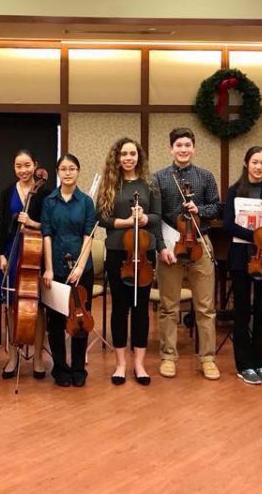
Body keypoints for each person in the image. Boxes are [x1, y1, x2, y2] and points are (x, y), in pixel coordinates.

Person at [153, 127, 222, 380]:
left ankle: (207, 358)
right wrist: (161, 247)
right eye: (178, 145)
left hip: (200, 244)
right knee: (168, 307)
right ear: (171, 148)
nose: (183, 149)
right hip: (171, 247)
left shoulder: (205, 176)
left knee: (205, 307)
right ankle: (168, 356)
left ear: (194, 148)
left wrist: (199, 209)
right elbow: (155, 217)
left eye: (187, 145)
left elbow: (216, 207)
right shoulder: (159, 178)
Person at [97, 138, 163, 386]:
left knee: (141, 308)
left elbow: (158, 216)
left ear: (138, 156)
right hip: (117, 250)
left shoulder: (150, 184)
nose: (128, 158)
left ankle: (139, 364)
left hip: (144, 251)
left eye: (132, 153)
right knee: (120, 307)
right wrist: (125, 222)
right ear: (117, 157)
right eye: (123, 154)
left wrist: (144, 218)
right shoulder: (110, 183)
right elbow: (101, 217)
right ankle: (121, 364)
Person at [222, 146, 262, 385]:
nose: (258, 167)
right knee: (243, 310)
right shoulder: (235, 190)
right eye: (254, 162)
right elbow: (228, 225)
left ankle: (261, 362)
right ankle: (244, 364)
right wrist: (256, 235)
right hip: (241, 255)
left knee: (261, 310)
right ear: (246, 163)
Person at [41, 153, 96, 388]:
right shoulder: (49, 201)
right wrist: (49, 269)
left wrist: (81, 266)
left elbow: (89, 235)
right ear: (58, 172)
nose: (67, 173)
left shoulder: (86, 202)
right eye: (63, 169)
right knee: (55, 321)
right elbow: (46, 235)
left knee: (81, 320)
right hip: (57, 268)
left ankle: (78, 369)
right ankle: (60, 368)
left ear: (78, 171)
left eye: (72, 168)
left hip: (82, 268)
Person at [0, 149, 49, 380]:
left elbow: (49, 225)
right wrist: (1, 255)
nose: (23, 170)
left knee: (36, 308)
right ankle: (13, 355)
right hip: (12, 252)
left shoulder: (44, 193)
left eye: (27, 165)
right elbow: (0, 227)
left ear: (34, 165)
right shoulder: (8, 192)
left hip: (33, 254)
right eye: (19, 166)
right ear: (14, 168)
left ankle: (38, 356)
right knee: (10, 307)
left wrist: (33, 223)